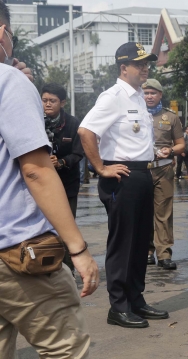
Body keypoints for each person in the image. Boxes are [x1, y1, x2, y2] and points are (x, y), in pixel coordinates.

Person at [0, 6, 99, 357]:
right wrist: (79, 250)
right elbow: (36, 170)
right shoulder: (9, 81)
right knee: (67, 349)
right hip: (15, 253)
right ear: (3, 34)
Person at [78, 42, 169, 328]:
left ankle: (136, 300)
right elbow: (86, 130)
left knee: (141, 241)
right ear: (123, 68)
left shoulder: (139, 96)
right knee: (122, 243)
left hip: (143, 174)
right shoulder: (113, 96)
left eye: (147, 63)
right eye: (139, 63)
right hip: (122, 178)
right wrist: (101, 168)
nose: (145, 68)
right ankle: (118, 306)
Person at [143, 79, 185, 270]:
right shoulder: (134, 115)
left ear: (160, 95)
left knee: (164, 213)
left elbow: (180, 144)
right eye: (146, 93)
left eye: (153, 93)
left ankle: (164, 253)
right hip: (141, 169)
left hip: (164, 169)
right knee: (143, 212)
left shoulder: (171, 117)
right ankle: (146, 251)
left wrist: (171, 151)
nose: (149, 96)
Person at [42, 83, 84, 272]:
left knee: (66, 227)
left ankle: (68, 271)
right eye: (44, 100)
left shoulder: (73, 123)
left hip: (67, 185)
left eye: (53, 101)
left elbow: (78, 154)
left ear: (63, 102)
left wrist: (61, 162)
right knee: (42, 230)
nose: (48, 104)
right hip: (40, 185)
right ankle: (43, 268)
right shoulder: (34, 120)